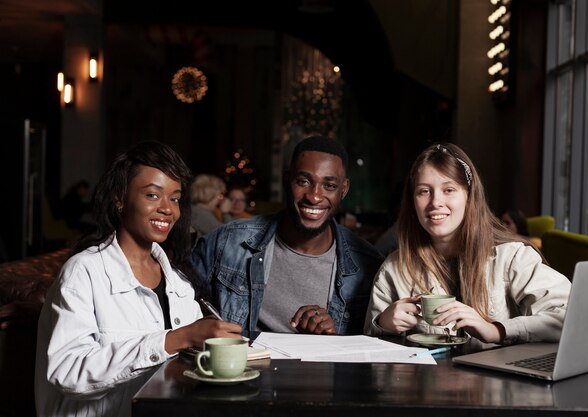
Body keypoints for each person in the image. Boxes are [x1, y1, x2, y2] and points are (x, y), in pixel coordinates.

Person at [35, 141, 241, 417]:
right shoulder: (84, 271)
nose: (168, 209)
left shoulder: (178, 278)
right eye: (153, 195)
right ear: (120, 198)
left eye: (175, 198)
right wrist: (176, 338)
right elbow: (68, 371)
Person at [364, 143, 571, 345]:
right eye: (424, 191)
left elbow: (569, 315)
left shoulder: (511, 256)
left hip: (498, 379)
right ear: (413, 201)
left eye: (449, 189)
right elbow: (368, 351)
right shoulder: (393, 268)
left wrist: (497, 330)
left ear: (469, 196)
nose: (435, 202)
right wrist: (383, 324)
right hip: (427, 378)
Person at [191, 135, 384, 336]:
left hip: (320, 367)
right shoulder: (227, 241)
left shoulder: (368, 265)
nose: (314, 196)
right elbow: (175, 310)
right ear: (286, 180)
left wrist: (333, 341)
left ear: (343, 190)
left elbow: (371, 353)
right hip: (243, 366)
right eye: (303, 181)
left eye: (329, 186)